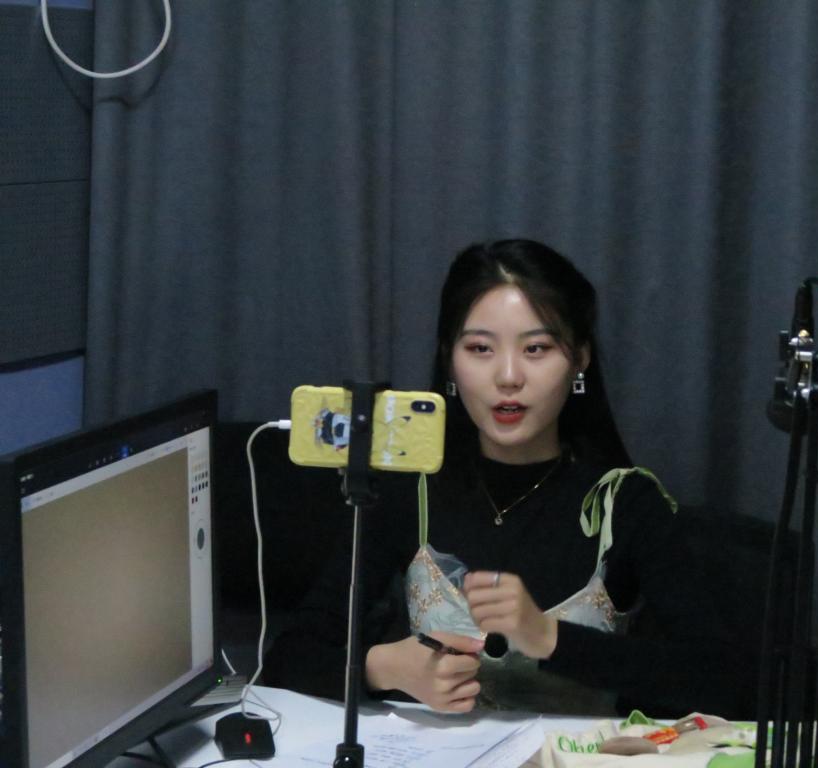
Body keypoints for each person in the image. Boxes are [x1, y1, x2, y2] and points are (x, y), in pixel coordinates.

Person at [263, 239, 746, 716]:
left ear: (579, 359)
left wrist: (549, 638)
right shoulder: (409, 488)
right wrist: (384, 667)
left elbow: (725, 681)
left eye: (536, 348)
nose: (508, 376)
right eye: (480, 348)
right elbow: (287, 657)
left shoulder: (624, 502)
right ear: (449, 358)